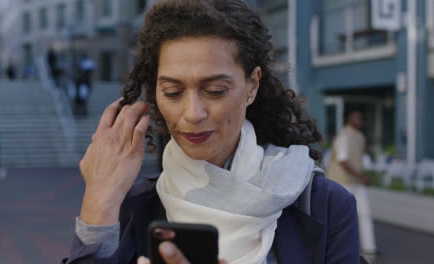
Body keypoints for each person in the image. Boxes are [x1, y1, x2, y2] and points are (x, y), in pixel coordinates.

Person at [63, 1, 360, 263]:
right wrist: (99, 202)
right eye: (173, 91)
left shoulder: (325, 206)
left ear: (252, 85)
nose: (192, 113)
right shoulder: (130, 207)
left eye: (215, 90)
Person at [327, 109, 377, 256]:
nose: (360, 120)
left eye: (361, 117)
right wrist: (362, 177)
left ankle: (370, 248)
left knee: (364, 214)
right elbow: (343, 161)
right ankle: (336, 251)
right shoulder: (344, 136)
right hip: (341, 182)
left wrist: (361, 177)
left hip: (356, 183)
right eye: (357, 117)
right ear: (348, 119)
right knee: (339, 217)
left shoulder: (360, 136)